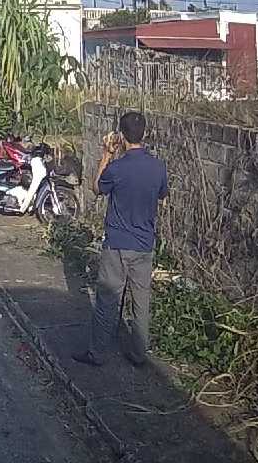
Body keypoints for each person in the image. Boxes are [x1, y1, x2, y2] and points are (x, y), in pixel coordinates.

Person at [74, 110, 168, 368]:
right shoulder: (158, 167)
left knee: (108, 300)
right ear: (144, 133)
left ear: (122, 136)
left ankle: (97, 353)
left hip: (117, 243)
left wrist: (106, 154)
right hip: (144, 244)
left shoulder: (117, 168)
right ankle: (138, 353)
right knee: (141, 302)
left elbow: (96, 188)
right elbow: (162, 195)